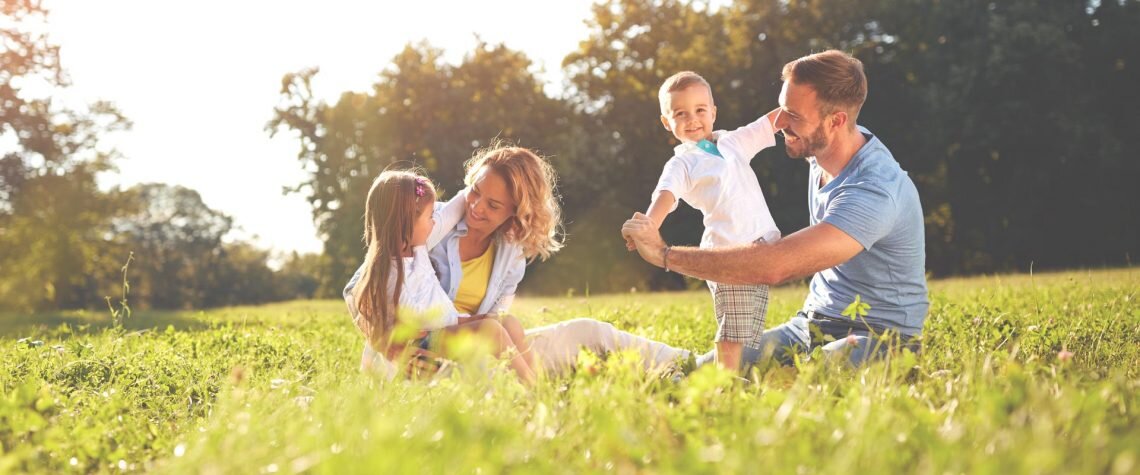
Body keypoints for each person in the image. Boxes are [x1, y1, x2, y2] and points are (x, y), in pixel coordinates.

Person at [622, 50, 928, 369]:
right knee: (707, 372)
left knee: (814, 375)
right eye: (782, 110)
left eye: (793, 116)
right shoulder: (821, 149)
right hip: (809, 326)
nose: (782, 124)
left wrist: (664, 254)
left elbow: (773, 266)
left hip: (880, 337)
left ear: (836, 121)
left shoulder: (875, 189)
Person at [346, 143, 692, 379]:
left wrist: (506, 354)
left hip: (475, 350)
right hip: (421, 358)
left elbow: (495, 324)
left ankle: (688, 365)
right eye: (476, 193)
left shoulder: (511, 254)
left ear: (516, 211)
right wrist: (395, 351)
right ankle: (532, 396)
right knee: (494, 340)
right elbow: (357, 289)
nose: (478, 208)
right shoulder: (428, 221)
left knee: (587, 331)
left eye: (494, 205)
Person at [635, 70, 782, 371]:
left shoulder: (732, 142)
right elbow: (665, 195)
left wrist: (806, 105)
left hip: (760, 248)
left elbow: (768, 123)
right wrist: (650, 226)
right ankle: (723, 384)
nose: (692, 120)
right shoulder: (683, 162)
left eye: (700, 110)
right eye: (681, 114)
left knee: (747, 328)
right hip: (728, 252)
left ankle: (730, 375)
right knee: (732, 329)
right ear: (667, 122)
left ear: (714, 112)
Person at [344, 169, 536, 384]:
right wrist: (384, 341)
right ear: (406, 222)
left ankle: (538, 384)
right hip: (419, 344)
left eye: (493, 204)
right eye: (430, 217)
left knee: (507, 322)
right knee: (491, 330)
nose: (435, 221)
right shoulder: (390, 266)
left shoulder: (417, 250)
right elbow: (360, 293)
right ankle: (533, 389)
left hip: (442, 327)